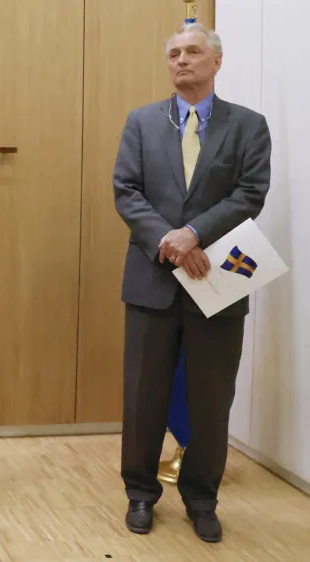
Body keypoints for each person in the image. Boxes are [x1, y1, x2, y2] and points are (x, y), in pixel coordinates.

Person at [113, 22, 271, 544]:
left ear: (216, 62)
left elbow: (250, 193)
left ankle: (202, 498)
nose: (182, 60)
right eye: (175, 54)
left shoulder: (249, 125)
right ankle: (140, 493)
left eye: (194, 52)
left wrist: (195, 232)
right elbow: (126, 192)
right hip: (152, 279)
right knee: (143, 396)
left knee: (210, 397)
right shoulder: (141, 122)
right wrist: (171, 239)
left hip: (218, 282)